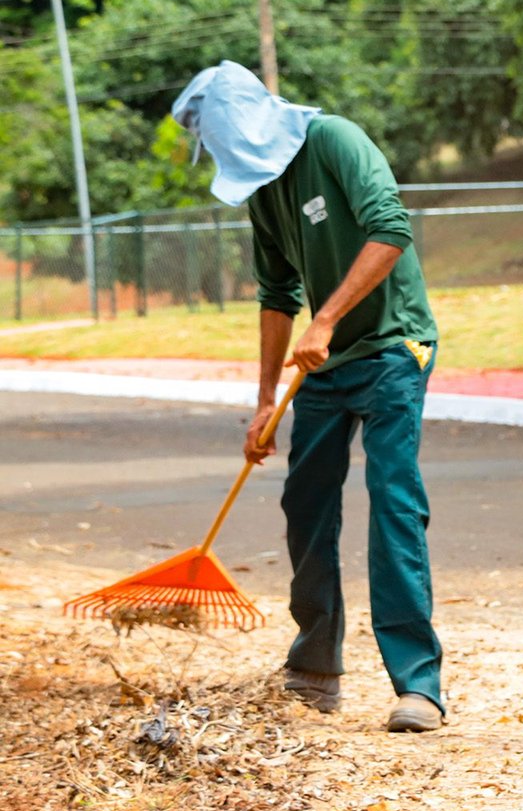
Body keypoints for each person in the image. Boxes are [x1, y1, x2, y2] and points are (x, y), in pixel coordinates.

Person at [172, 60, 446, 733]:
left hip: (391, 345)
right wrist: (265, 401)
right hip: (323, 366)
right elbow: (275, 294)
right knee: (306, 503)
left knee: (394, 503)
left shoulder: (337, 142)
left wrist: (326, 320)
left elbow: (391, 230)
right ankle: (316, 665)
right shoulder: (264, 189)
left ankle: (418, 685)